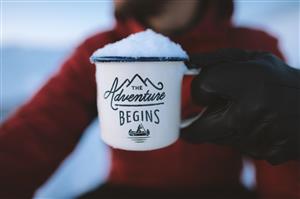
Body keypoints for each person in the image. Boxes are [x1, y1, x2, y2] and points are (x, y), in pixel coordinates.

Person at [0, 0, 299, 198]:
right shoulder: (102, 51)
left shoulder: (252, 48)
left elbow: (278, 170)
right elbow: (33, 133)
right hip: (123, 191)